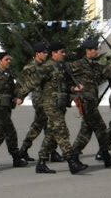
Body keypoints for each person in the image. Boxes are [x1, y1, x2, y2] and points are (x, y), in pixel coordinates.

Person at [16, 42, 87, 174]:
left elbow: (63, 86)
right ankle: (72, 162)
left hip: (59, 103)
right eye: (62, 52)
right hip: (50, 104)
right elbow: (32, 81)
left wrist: (73, 88)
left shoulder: (60, 67)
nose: (64, 54)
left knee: (51, 133)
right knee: (62, 131)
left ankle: (41, 162)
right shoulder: (47, 67)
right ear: (54, 53)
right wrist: (21, 96)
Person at [70, 39, 111, 168]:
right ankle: (103, 156)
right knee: (100, 129)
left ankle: (76, 156)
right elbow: (65, 77)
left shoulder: (95, 65)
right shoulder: (78, 64)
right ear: (87, 51)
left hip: (92, 101)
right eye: (94, 49)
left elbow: (105, 72)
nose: (97, 51)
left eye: (97, 49)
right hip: (85, 101)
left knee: (87, 131)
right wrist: (72, 89)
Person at [17, 43, 62, 163]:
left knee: (46, 126)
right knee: (42, 125)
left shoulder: (47, 66)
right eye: (44, 53)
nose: (46, 55)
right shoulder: (30, 67)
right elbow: (22, 83)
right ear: (37, 54)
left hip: (47, 99)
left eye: (47, 53)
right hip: (39, 100)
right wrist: (20, 96)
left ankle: (49, 151)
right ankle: (45, 151)